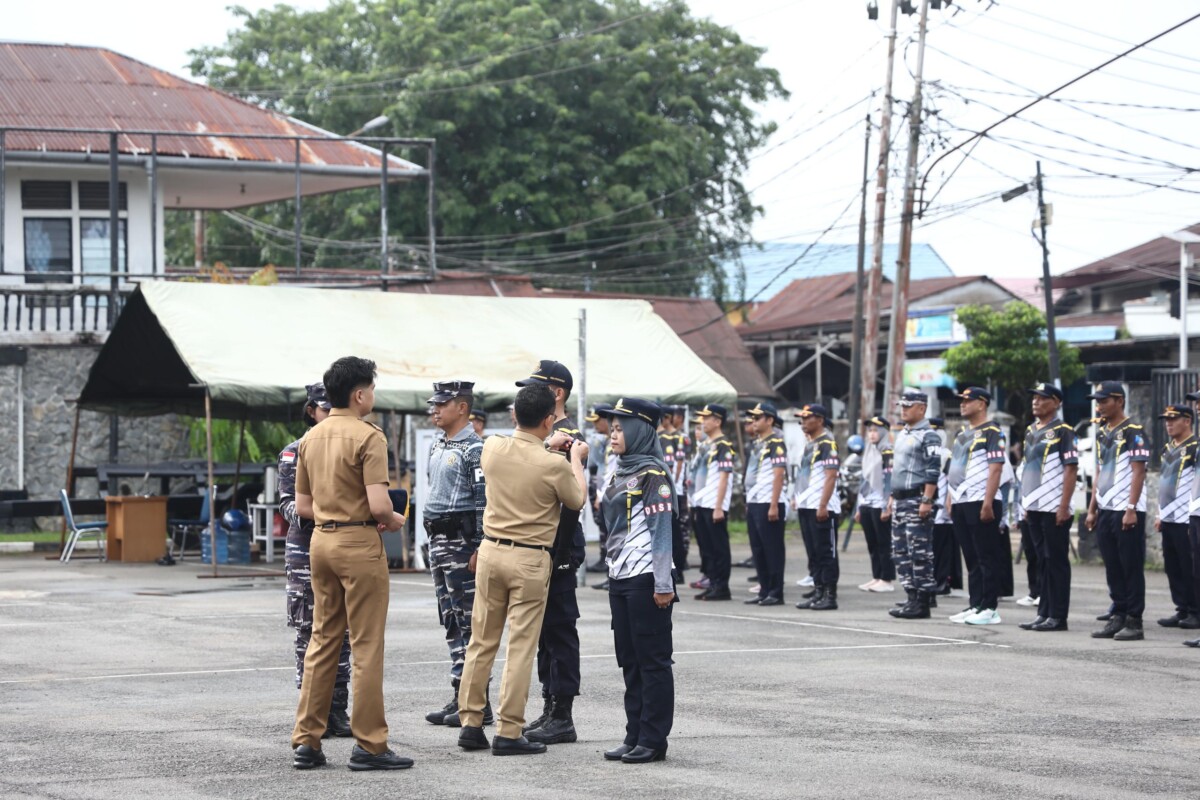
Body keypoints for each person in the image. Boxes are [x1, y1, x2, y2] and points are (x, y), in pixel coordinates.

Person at [290, 356, 410, 771]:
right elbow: (379, 505)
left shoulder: (311, 438)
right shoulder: (369, 436)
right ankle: (370, 745)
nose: (372, 397)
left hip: (321, 541)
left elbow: (303, 505)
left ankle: (307, 740)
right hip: (359, 542)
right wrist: (395, 519)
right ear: (359, 394)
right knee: (366, 646)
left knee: (323, 641)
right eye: (372, 390)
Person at [456, 384, 589, 756]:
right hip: (530, 557)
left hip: (491, 551)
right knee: (520, 647)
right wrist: (573, 457)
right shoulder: (552, 465)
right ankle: (509, 730)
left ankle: (470, 721)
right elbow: (576, 499)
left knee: (481, 641)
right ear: (549, 420)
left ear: (515, 414)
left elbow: (521, 455)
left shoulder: (493, 447)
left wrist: (545, 445)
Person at [597, 398, 677, 764]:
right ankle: (634, 734)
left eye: (619, 429)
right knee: (629, 660)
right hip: (620, 577)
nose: (613, 435)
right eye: (611, 428)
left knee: (653, 661)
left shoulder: (653, 475)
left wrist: (663, 584)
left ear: (639, 431)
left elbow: (662, 533)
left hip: (647, 579)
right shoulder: (617, 471)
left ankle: (653, 739)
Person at [514, 360, 587, 746]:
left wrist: (560, 553)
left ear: (556, 394)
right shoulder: (546, 434)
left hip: (559, 543)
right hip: (542, 542)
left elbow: (566, 496)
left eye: (537, 387)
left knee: (558, 629)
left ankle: (563, 713)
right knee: (544, 631)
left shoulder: (567, 437)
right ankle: (550, 705)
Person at [279, 382, 351, 740]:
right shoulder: (295, 452)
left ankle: (337, 709)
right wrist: (324, 514)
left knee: (346, 633)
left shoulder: (348, 447)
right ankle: (310, 711)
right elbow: (287, 504)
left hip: (341, 548)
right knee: (309, 632)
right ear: (312, 412)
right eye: (323, 410)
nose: (329, 416)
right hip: (306, 551)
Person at [422, 381, 491, 727]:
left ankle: (479, 700)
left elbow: (483, 502)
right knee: (450, 619)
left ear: (461, 407)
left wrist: (480, 546)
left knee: (469, 622)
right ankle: (460, 693)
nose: (435, 410)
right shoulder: (439, 444)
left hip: (462, 545)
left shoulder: (474, 449)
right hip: (439, 543)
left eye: (442, 404)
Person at [1086, 381, 1150, 642]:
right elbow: (1099, 471)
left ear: (1119, 401)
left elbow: (1139, 470)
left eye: (1104, 400)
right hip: (1106, 508)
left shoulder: (1135, 431)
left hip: (1127, 509)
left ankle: (1135, 620)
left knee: (1130, 566)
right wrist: (1092, 509)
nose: (1099, 405)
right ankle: (1119, 615)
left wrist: (1131, 508)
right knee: (1112, 566)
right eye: (1097, 401)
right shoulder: (1103, 432)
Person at [1016, 383, 1078, 633]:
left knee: (1056, 562)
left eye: (1042, 399)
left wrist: (1063, 506)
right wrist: (1026, 502)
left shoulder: (1064, 431)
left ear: (1056, 402)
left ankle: (1058, 616)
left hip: (1054, 507)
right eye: (1034, 398)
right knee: (1041, 561)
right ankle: (1044, 612)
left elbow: (1071, 469)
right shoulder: (1031, 430)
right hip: (1035, 507)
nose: (1036, 402)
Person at [945, 387, 1008, 626]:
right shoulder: (962, 433)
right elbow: (954, 468)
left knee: (986, 556)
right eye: (961, 400)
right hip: (961, 500)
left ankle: (990, 607)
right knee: (971, 557)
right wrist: (950, 499)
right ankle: (976, 603)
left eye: (967, 400)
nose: (962, 404)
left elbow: (996, 469)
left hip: (981, 500)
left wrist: (988, 501)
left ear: (982, 404)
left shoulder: (992, 432)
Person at [887, 390, 942, 620]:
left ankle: (923, 600)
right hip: (900, 499)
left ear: (922, 408)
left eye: (909, 406)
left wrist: (927, 500)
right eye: (902, 405)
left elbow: (933, 470)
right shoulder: (903, 433)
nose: (904, 409)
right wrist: (892, 496)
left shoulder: (929, 436)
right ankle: (911, 595)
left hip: (916, 499)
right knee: (900, 551)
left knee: (919, 552)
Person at [1155, 404, 1199, 630]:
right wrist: (1159, 513)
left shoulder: (1194, 448)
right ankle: (1181, 608)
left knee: (1188, 565)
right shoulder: (1168, 448)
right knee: (1172, 566)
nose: (1168, 424)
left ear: (1187, 421)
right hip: (1169, 517)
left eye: (1173, 419)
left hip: (1185, 518)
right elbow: (1163, 483)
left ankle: (1194, 609)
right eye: (1166, 420)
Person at [792, 404, 840, 610]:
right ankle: (818, 590)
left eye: (807, 418)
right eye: (801, 418)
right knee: (813, 552)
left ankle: (830, 595)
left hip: (822, 507)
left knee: (825, 553)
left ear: (819, 420)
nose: (803, 422)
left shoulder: (827, 443)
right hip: (806, 505)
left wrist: (823, 505)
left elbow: (831, 476)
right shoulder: (810, 443)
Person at [743, 402, 788, 606]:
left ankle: (776, 591)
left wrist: (773, 504)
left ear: (769, 420)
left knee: (772, 549)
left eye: (758, 418)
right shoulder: (758, 443)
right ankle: (764, 589)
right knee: (758, 549)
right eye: (752, 418)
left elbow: (779, 475)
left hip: (768, 501)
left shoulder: (776, 443)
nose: (753, 421)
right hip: (755, 501)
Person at [690, 404, 736, 602]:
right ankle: (712, 582)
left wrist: (719, 506)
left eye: (707, 418)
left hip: (714, 503)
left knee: (719, 547)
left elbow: (725, 477)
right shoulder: (705, 445)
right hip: (701, 502)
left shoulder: (724, 445)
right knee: (707, 547)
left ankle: (722, 586)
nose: (703, 421)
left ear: (717, 421)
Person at [856, 415, 895, 593]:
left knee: (883, 542)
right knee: (872, 542)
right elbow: (863, 480)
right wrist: (858, 506)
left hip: (880, 501)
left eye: (875, 430)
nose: (872, 434)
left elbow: (890, 479)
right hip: (867, 501)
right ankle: (876, 576)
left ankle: (886, 579)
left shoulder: (887, 451)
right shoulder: (869, 452)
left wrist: (888, 504)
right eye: (870, 430)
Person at [928, 417, 961, 598]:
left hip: (943, 510)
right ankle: (934, 580)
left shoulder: (947, 455)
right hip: (930, 509)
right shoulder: (927, 454)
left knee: (943, 550)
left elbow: (951, 481)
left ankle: (943, 581)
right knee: (931, 549)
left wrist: (948, 504)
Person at [658, 407, 688, 583]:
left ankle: (679, 569)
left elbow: (671, 469)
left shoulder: (667, 439)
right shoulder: (657, 438)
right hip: (663, 493)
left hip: (667, 493)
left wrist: (668, 491)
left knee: (674, 533)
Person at [586, 403, 615, 578]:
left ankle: (610, 570)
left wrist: (600, 495)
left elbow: (609, 472)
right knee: (604, 528)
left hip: (609, 492)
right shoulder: (605, 439)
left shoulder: (612, 441)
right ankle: (609, 570)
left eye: (597, 421)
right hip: (603, 489)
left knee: (611, 532)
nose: (594, 425)